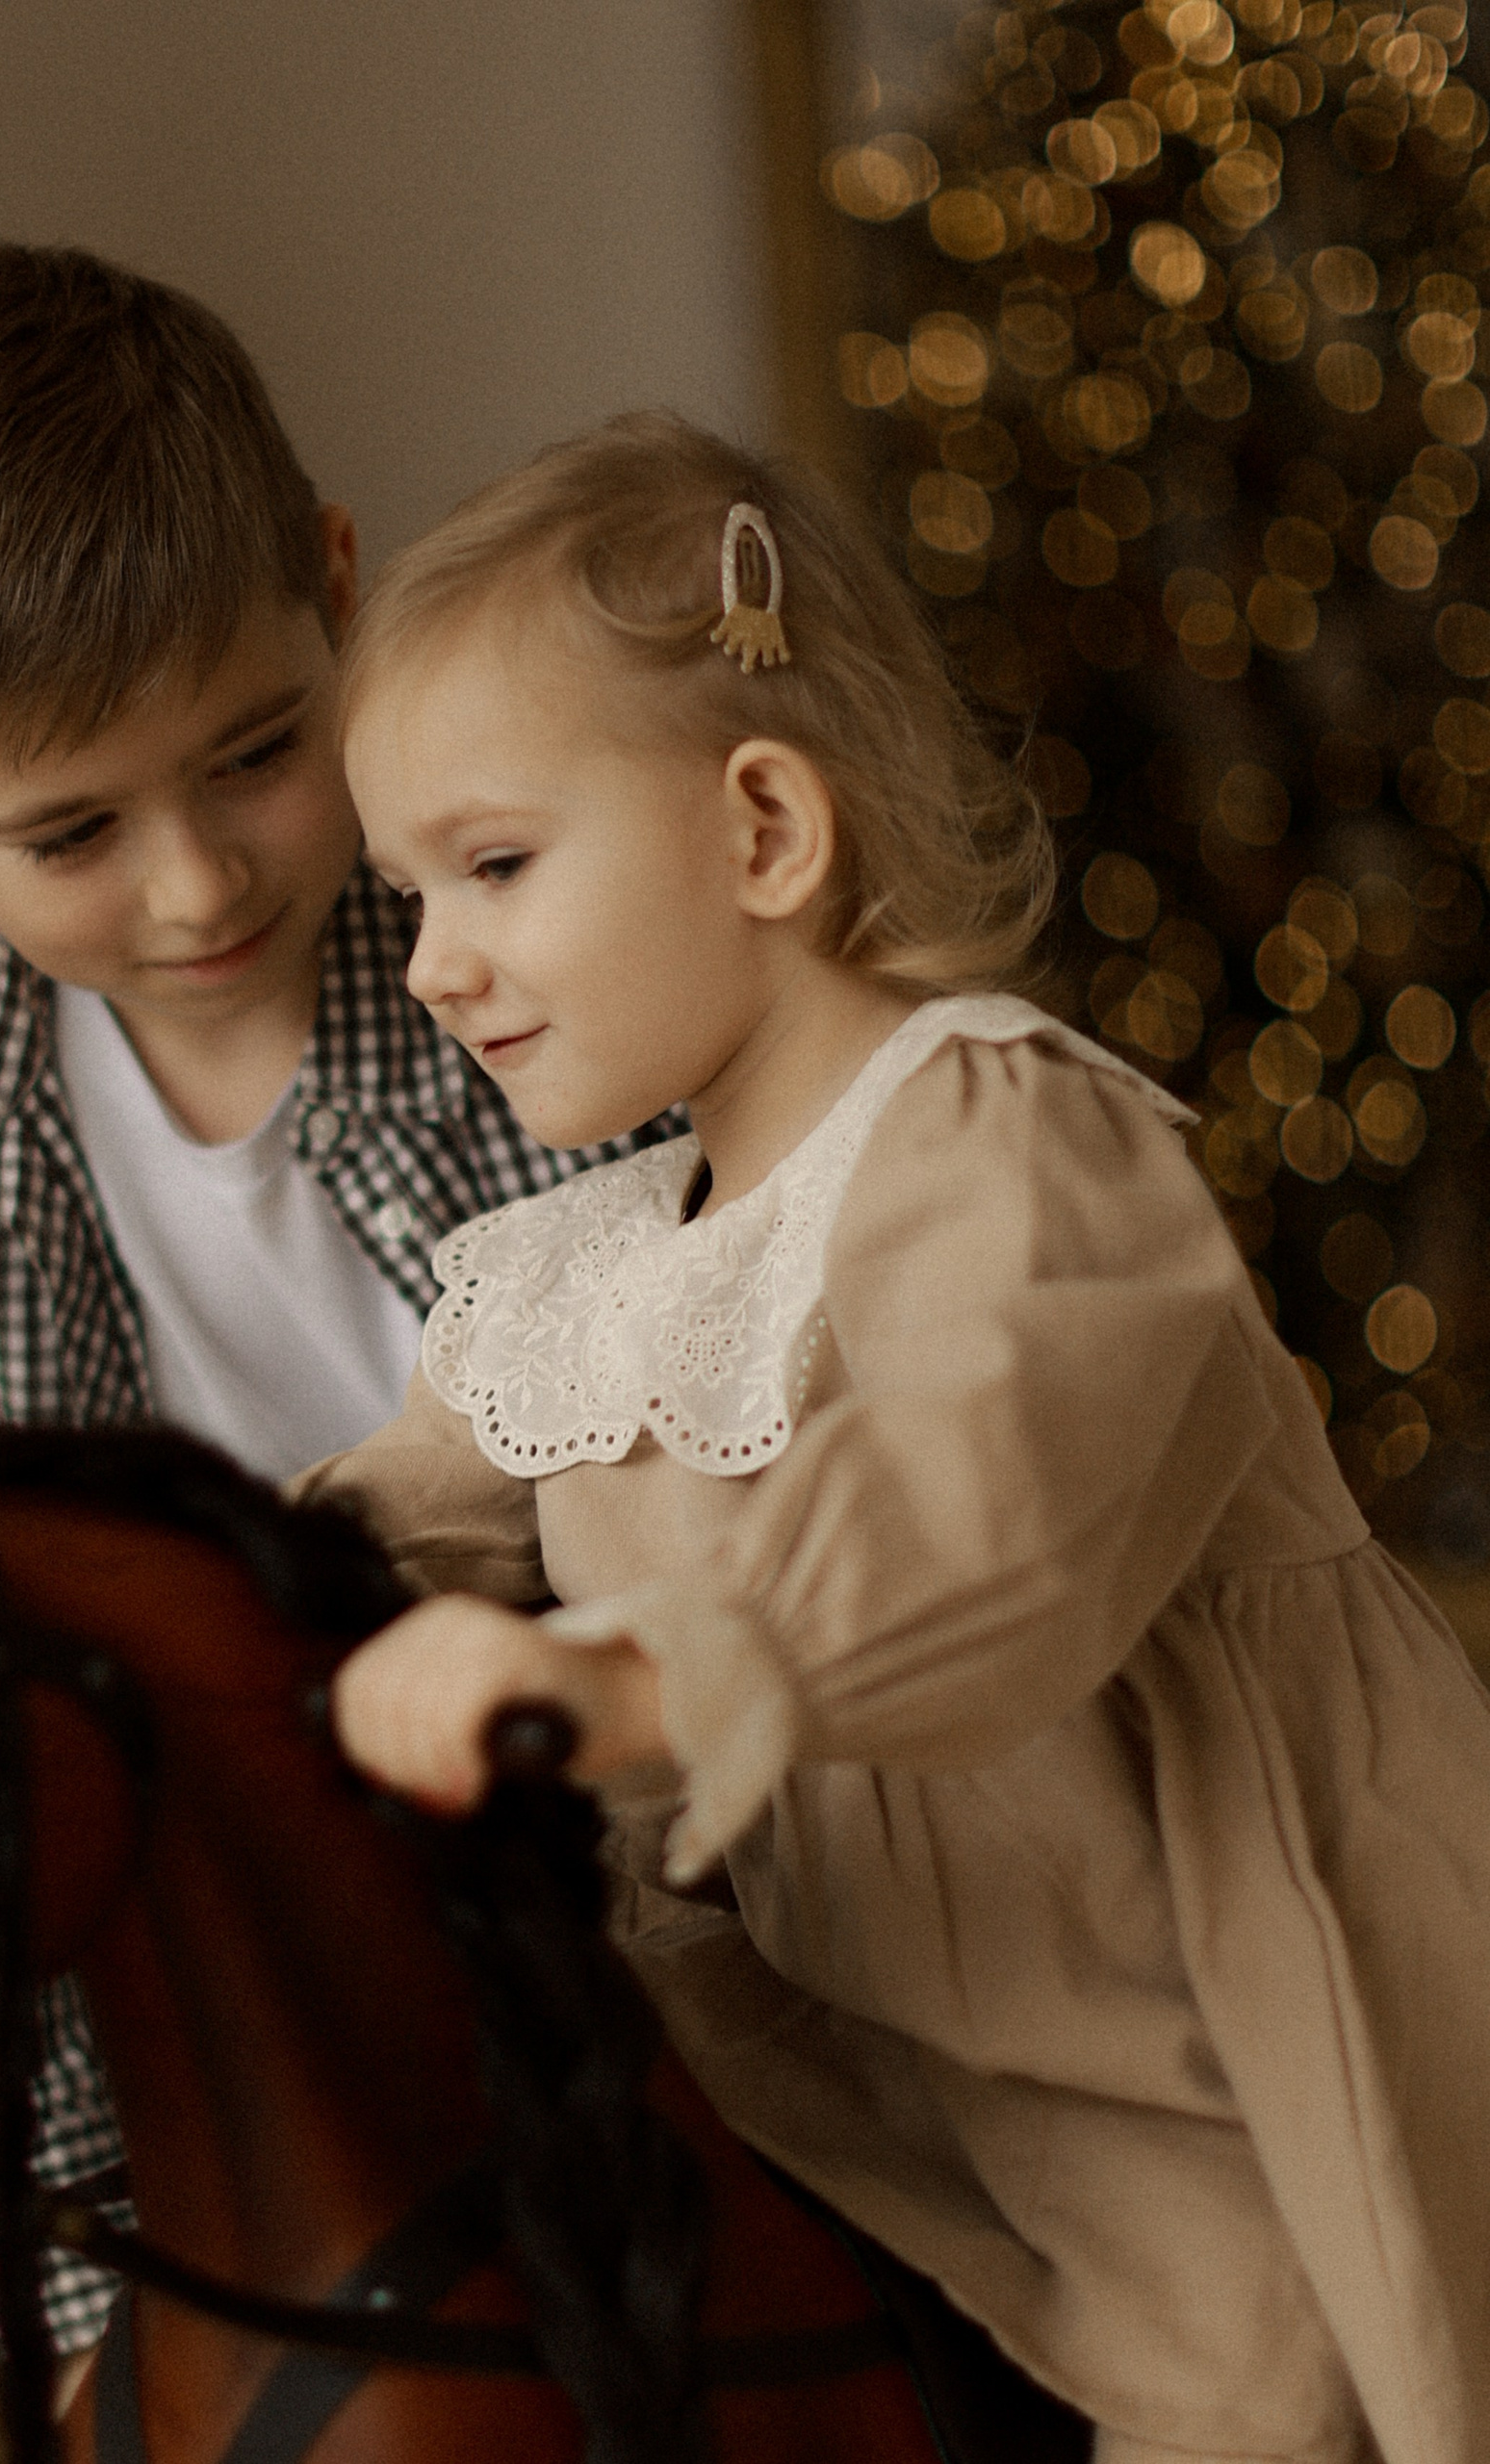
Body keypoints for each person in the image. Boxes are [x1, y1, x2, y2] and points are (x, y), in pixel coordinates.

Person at [310, 410, 1490, 2464]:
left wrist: (628, 1665)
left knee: (1269, 2388)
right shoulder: (570, 1270)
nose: (430, 963)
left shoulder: (1003, 1138)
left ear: (764, 828)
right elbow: (369, 1530)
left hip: (1186, 2043)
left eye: (490, 863)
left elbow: (983, 1505)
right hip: (833, 2045)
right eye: (406, 891)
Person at [0, 246, 661, 2365]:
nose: (197, 882)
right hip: (235, 1948)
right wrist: (76, 2285)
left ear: (336, 589)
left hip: (628, 1804)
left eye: (256, 755)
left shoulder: (510, 928)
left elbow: (703, 1419)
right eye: (68, 829)